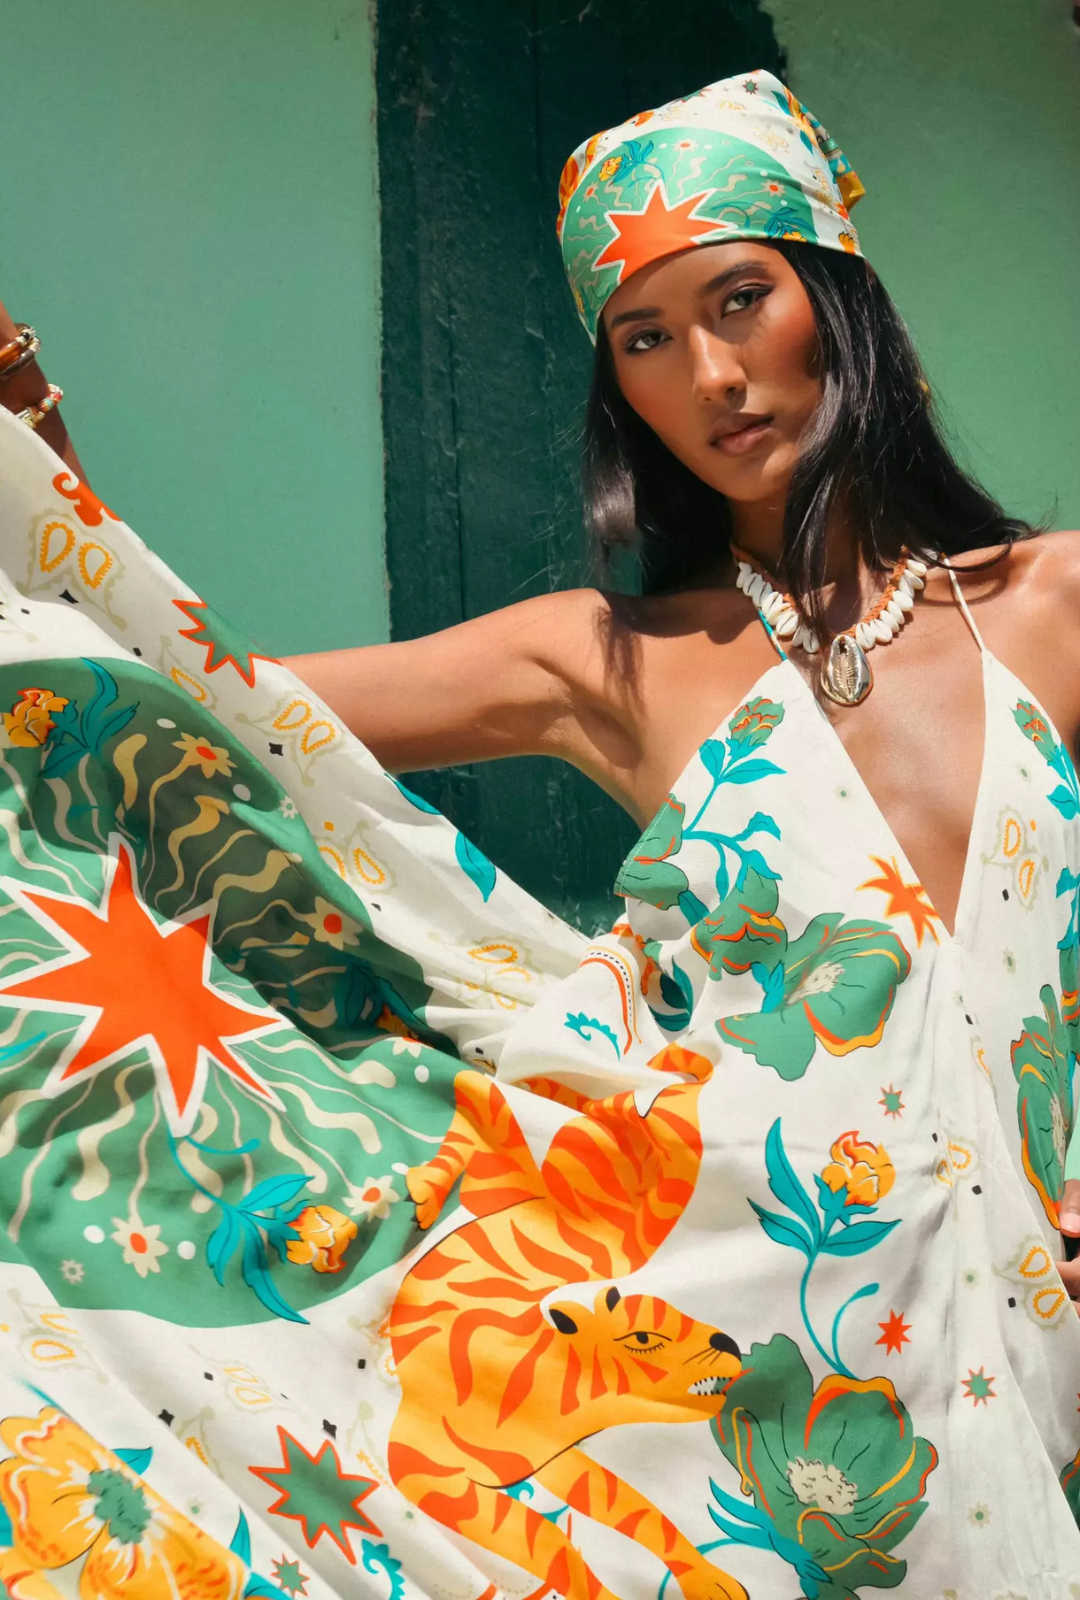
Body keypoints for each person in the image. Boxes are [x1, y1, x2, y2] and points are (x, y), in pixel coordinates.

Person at [0, 66, 1078, 1600]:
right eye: (646, 340)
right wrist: (41, 480)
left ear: (838, 295)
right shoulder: (612, 661)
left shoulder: (1054, 606)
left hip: (1031, 1315)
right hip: (752, 1363)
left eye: (742, 301)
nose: (712, 374)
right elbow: (185, 711)